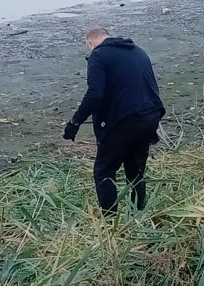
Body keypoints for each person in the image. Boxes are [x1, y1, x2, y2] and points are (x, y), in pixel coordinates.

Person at [63, 28, 166, 214]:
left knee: (103, 172)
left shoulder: (98, 55)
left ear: (91, 43)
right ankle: (138, 215)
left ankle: (110, 223)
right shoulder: (138, 51)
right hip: (150, 116)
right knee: (135, 173)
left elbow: (95, 94)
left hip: (126, 120)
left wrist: (75, 122)